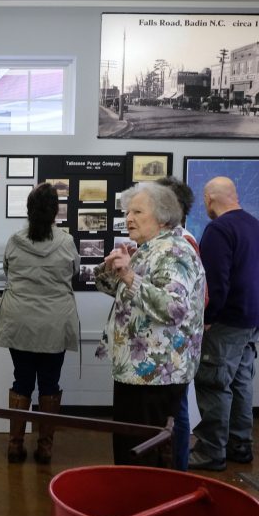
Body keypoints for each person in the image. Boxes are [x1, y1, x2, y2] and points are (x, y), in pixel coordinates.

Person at [94, 182, 205, 468]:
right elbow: (121, 291)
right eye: (127, 212)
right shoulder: (149, 248)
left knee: (147, 455)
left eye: (137, 211)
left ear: (163, 216)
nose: (128, 218)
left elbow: (173, 308)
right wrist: (112, 270)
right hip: (138, 373)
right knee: (132, 448)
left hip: (155, 377)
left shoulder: (175, 252)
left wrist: (130, 276)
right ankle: (136, 503)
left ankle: (149, 507)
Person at [189, 176, 259, 471]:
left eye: (205, 201)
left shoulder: (219, 230)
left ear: (210, 199)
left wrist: (209, 318)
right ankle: (240, 444)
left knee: (214, 382)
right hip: (254, 319)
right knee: (241, 382)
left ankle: (211, 451)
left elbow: (216, 284)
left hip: (227, 321)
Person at [0, 182, 79, 464]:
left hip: (20, 321)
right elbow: (74, 271)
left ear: (28, 210)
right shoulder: (66, 242)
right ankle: (45, 448)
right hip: (54, 321)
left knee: (22, 380)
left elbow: (6, 271)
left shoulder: (15, 240)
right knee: (50, 384)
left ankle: (15, 445)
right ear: (56, 212)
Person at [156, 176, 204, 472]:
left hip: (176, 345)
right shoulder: (173, 241)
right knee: (175, 408)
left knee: (178, 410)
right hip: (171, 346)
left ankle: (177, 472)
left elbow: (179, 302)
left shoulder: (181, 244)